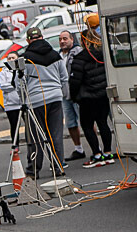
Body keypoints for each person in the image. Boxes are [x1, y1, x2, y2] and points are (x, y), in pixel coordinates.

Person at [21, 27, 69, 176]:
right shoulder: (55, 55)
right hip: (55, 98)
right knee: (55, 135)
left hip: (35, 101)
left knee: (36, 138)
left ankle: (33, 170)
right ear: (42, 37)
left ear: (28, 40)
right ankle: (58, 167)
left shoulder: (25, 58)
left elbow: (20, 82)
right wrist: (64, 95)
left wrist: (23, 101)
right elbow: (64, 77)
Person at [70, 28, 115, 168]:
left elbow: (75, 81)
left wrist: (74, 96)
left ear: (83, 41)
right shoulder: (104, 54)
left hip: (87, 97)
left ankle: (96, 155)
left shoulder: (80, 58)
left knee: (88, 125)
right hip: (102, 94)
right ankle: (108, 153)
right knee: (103, 123)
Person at [59, 30, 86, 162]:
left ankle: (96, 148)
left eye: (65, 38)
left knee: (85, 120)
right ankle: (79, 149)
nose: (62, 41)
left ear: (71, 39)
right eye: (60, 39)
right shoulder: (58, 56)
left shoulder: (78, 52)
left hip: (78, 94)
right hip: (65, 95)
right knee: (70, 123)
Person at [0, 51, 22, 150]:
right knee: (14, 125)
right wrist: (15, 85)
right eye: (9, 58)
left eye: (13, 58)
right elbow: (3, 86)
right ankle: (15, 145)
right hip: (10, 104)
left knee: (29, 125)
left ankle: (31, 143)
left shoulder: (21, 70)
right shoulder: (3, 72)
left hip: (22, 102)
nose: (11, 60)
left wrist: (13, 85)